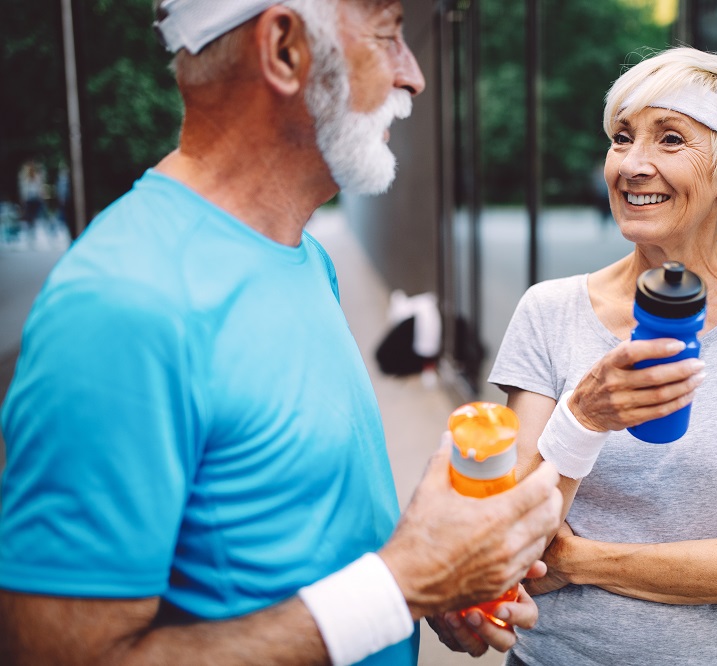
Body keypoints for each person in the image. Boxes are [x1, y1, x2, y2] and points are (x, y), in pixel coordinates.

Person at [0, 2, 562, 665]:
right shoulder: (119, 305)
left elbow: (303, 542)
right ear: (286, 50)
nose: (414, 77)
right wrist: (400, 586)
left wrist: (432, 579)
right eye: (388, 35)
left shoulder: (302, 256)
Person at [488, 47, 717, 665]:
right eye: (623, 137)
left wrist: (584, 561)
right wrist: (582, 417)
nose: (632, 165)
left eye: (670, 139)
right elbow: (515, 535)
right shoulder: (548, 312)